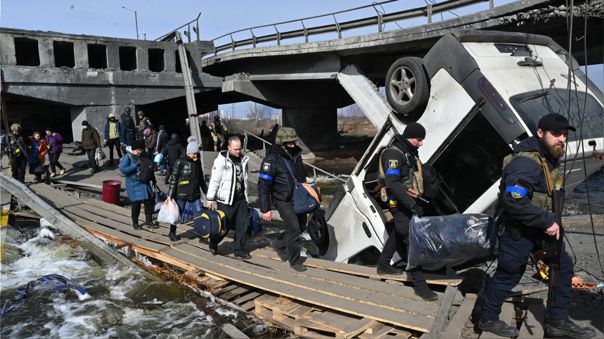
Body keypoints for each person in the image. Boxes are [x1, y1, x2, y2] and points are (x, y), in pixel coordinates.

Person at [479, 114, 595, 338]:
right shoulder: (526, 163)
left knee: (562, 268)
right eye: (556, 134)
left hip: (540, 229)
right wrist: (548, 220)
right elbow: (514, 200)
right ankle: (488, 318)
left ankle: (557, 322)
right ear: (540, 133)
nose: (562, 139)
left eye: (565, 134)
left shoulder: (547, 157)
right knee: (509, 274)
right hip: (518, 231)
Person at [377, 122, 437, 301]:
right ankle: (419, 284)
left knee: (398, 231)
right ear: (409, 136)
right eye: (419, 139)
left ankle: (383, 264)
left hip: (409, 201)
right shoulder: (394, 154)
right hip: (400, 203)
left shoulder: (409, 151)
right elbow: (392, 183)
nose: (421, 143)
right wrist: (411, 204)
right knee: (412, 240)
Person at [258, 127, 308, 272]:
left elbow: (301, 176)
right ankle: (295, 260)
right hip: (282, 199)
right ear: (281, 142)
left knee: (302, 227)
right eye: (288, 142)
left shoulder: (296, 154)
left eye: (293, 141)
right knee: (294, 228)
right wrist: (265, 209)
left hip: (297, 197)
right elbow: (263, 185)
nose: (292, 145)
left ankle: (279, 243)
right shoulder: (271, 159)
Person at [206, 136, 251, 259]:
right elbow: (214, 180)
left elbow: (245, 180)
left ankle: (239, 250)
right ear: (229, 147)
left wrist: (247, 197)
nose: (238, 151)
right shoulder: (221, 161)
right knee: (224, 226)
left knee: (243, 225)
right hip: (226, 200)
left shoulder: (244, 159)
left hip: (241, 199)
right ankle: (213, 242)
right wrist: (210, 199)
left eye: (239, 149)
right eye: (235, 149)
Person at [167, 140, 208, 241]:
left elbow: (201, 179)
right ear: (188, 152)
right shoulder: (180, 162)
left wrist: (207, 192)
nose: (195, 155)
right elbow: (174, 179)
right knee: (178, 214)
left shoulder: (197, 162)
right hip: (182, 193)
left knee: (199, 214)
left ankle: (201, 235)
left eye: (196, 153)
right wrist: (170, 195)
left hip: (195, 194)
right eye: (193, 153)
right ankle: (172, 232)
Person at [119, 140, 159, 230]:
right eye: (137, 150)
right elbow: (123, 170)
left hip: (145, 183)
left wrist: (153, 179)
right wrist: (134, 166)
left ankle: (149, 221)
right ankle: (135, 223)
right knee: (136, 204)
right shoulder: (128, 157)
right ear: (133, 150)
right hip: (134, 185)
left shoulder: (143, 156)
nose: (139, 152)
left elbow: (149, 168)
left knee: (149, 202)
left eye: (140, 150)